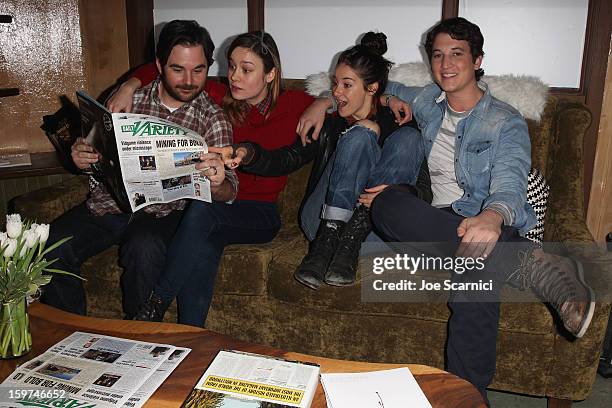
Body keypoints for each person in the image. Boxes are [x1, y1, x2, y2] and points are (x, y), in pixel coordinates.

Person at [346, 18, 593, 403]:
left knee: (475, 263)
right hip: (432, 222)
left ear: (478, 60)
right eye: (438, 56)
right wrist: (334, 99)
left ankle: (466, 396)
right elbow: (376, 82)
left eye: (457, 55)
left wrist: (493, 216)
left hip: (484, 224)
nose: (446, 64)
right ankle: (530, 264)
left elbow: (510, 180)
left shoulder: (505, 121)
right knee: (388, 201)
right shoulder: (427, 100)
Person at [109, 31, 314, 325]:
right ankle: (191, 337)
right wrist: (128, 86)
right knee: (203, 244)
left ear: (270, 74)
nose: (234, 77)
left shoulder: (294, 104)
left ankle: (156, 303)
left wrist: (323, 104)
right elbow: (161, 68)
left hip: (259, 213)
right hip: (216, 206)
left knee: (203, 207)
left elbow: (346, 98)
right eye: (231, 66)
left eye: (246, 70)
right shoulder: (219, 95)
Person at [41, 20, 237, 318]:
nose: (188, 80)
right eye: (177, 69)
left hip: (164, 213)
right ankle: (70, 330)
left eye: (198, 70)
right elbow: (95, 156)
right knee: (50, 245)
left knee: (144, 248)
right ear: (158, 65)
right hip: (109, 205)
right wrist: (80, 159)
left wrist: (218, 180)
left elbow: (229, 192)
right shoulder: (125, 103)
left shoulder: (214, 118)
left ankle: (141, 339)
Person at [213, 32, 431, 290]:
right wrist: (249, 152)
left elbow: (424, 191)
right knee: (362, 132)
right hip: (321, 223)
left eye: (346, 85)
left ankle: (350, 239)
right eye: (334, 83)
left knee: (409, 138)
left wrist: (397, 192)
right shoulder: (330, 120)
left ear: (372, 88)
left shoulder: (399, 118)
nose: (337, 92)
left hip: (373, 230)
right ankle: (330, 238)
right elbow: (288, 158)